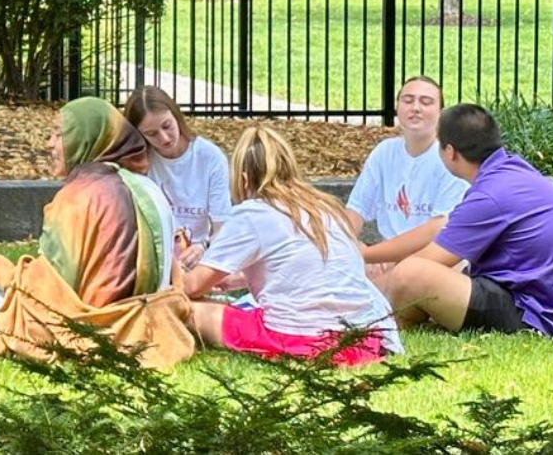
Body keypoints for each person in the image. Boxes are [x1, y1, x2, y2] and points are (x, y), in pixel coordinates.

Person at [0, 97, 196, 368]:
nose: (50, 144)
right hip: (150, 327)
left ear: (86, 139)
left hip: (91, 334)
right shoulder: (148, 188)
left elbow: (46, 293)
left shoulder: (78, 197)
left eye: (59, 134)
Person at [172, 127, 403, 366]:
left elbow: (191, 286)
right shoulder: (325, 206)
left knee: (190, 309)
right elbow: (301, 266)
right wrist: (235, 280)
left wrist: (169, 257)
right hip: (362, 341)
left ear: (243, 179)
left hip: (303, 341)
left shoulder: (253, 213)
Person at [376, 104, 553, 337]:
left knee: (409, 274)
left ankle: (378, 317)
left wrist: (363, 286)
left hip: (530, 315)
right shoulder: (509, 171)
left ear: (450, 152)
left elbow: (422, 264)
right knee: (422, 268)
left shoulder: (490, 195)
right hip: (536, 301)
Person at [346, 77, 471, 269]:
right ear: (397, 107)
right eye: (408, 100)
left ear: (441, 112)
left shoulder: (451, 157)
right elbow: (355, 210)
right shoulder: (384, 152)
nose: (415, 107)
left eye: (426, 102)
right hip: (384, 258)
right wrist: (347, 244)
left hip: (435, 262)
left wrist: (370, 255)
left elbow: (436, 228)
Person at [125, 85, 231, 282]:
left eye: (167, 126)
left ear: (176, 116)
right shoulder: (140, 163)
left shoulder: (210, 157)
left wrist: (203, 247)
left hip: (201, 265)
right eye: (151, 134)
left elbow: (222, 227)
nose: (164, 138)